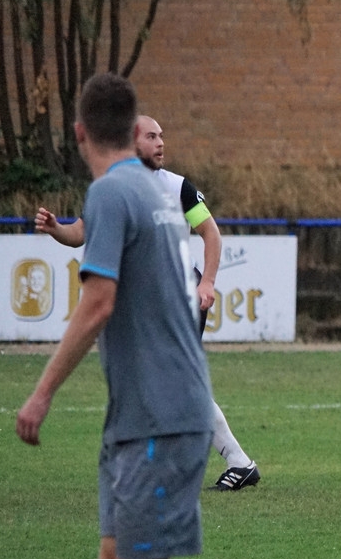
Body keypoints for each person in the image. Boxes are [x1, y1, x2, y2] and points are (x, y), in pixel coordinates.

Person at [16, 73, 222, 559]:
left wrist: (41, 393)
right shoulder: (152, 190)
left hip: (161, 415)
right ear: (133, 132)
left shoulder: (111, 191)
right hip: (139, 415)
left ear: (79, 133)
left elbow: (98, 303)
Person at [36, 114, 261, 492]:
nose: (161, 143)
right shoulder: (110, 189)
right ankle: (230, 462)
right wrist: (56, 228)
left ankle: (214, 463)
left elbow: (210, 233)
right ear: (132, 142)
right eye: (152, 136)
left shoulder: (177, 187)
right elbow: (80, 233)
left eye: (162, 136)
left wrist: (208, 281)